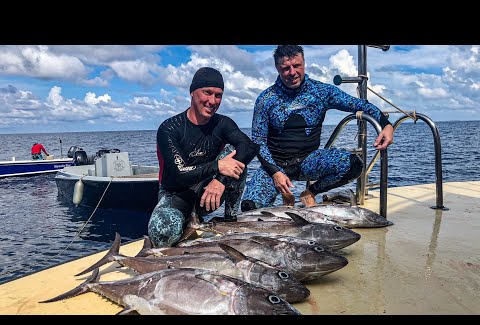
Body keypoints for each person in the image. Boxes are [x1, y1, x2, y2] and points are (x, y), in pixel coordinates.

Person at [240, 45, 394, 211]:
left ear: (304, 64)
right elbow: (258, 141)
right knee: (250, 208)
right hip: (275, 166)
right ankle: (284, 196)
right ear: (277, 68)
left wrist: (386, 124)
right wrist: (275, 173)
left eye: (297, 66)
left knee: (354, 165)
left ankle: (310, 193)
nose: (292, 72)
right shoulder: (266, 99)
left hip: (309, 161)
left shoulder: (321, 92)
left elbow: (360, 104)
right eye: (286, 68)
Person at [148, 67, 259, 247]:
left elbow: (250, 147)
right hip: (176, 192)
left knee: (236, 156)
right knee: (162, 235)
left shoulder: (223, 123)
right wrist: (218, 166)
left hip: (208, 192)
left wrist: (220, 180)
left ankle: (230, 219)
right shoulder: (169, 128)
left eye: (218, 95)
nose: (212, 101)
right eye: (207, 93)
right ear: (192, 92)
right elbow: (179, 174)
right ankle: (185, 220)